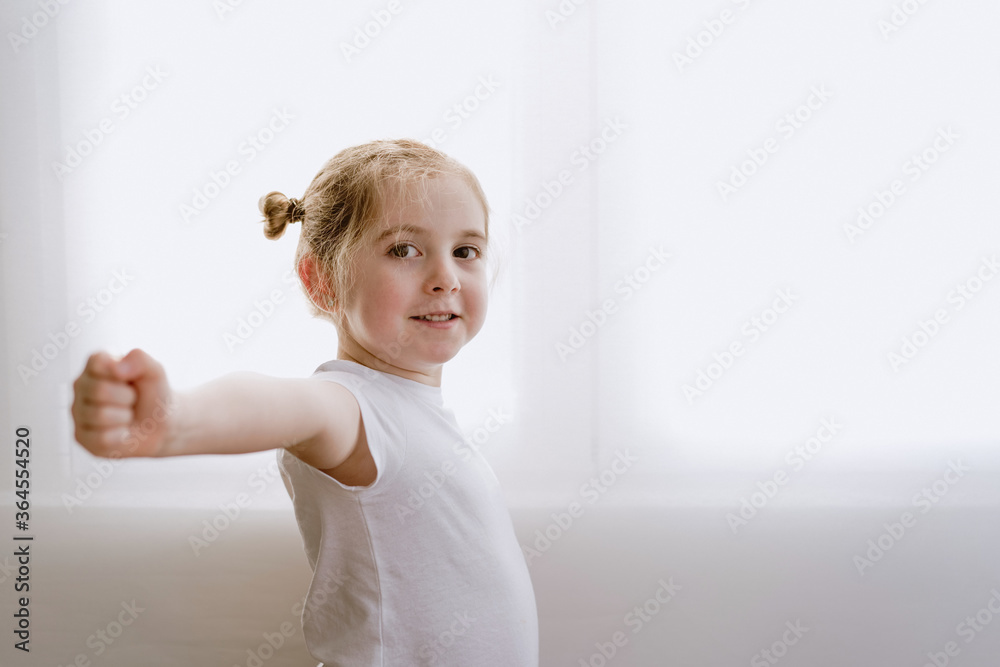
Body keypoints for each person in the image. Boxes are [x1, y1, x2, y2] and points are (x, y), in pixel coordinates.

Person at [69, 139, 539, 666]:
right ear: (322, 282)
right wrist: (173, 421)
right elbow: (278, 404)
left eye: (465, 251)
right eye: (404, 250)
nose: (446, 278)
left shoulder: (418, 414)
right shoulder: (353, 407)